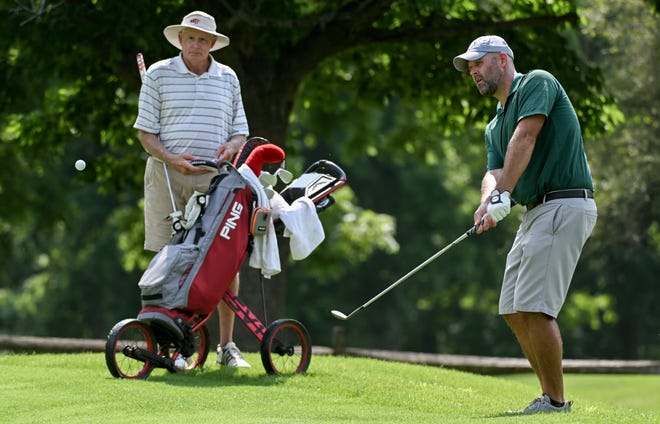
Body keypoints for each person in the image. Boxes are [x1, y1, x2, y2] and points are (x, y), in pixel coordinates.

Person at [453, 36, 597, 414]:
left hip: (564, 202)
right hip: (536, 211)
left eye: (479, 63)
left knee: (536, 307)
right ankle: (548, 397)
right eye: (469, 67)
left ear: (502, 59)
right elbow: (494, 170)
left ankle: (555, 402)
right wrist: (488, 201)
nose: (473, 71)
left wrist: (503, 193)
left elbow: (527, 136)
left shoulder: (537, 82)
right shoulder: (494, 124)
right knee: (513, 308)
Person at [133, 10, 251, 368]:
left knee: (224, 260)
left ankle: (227, 347)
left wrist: (232, 147)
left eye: (203, 39)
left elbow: (240, 130)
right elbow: (145, 134)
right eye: (190, 37)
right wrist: (172, 158)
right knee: (167, 258)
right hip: (167, 175)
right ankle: (170, 345)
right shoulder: (157, 74)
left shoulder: (227, 77)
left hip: (215, 178)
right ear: (180, 40)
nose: (196, 44)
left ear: (213, 43)